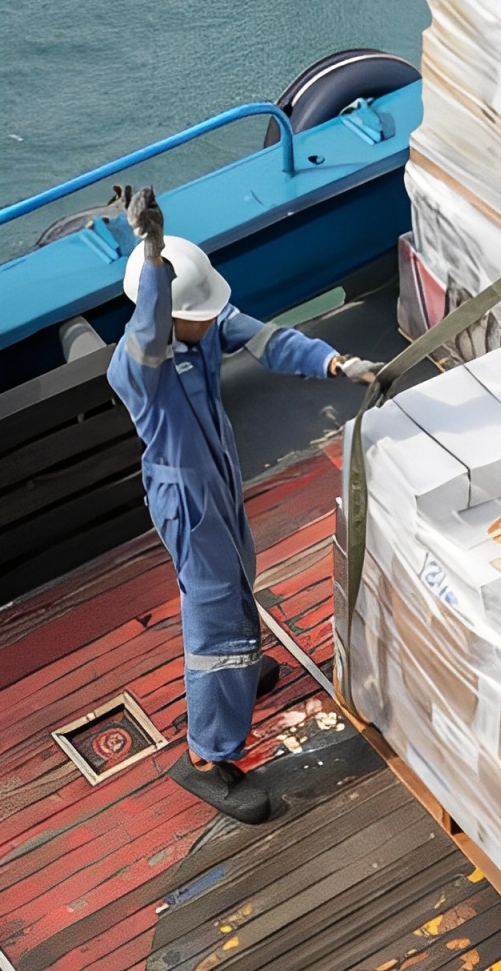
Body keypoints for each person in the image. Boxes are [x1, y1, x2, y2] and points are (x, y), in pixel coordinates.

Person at [108, 188, 380, 824]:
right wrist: (153, 256)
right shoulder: (137, 366)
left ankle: (241, 671)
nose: (213, 322)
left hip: (219, 475)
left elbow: (267, 339)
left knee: (241, 576)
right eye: (199, 314)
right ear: (169, 312)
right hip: (185, 496)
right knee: (215, 613)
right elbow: (148, 327)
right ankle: (206, 755)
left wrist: (335, 363)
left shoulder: (201, 328)